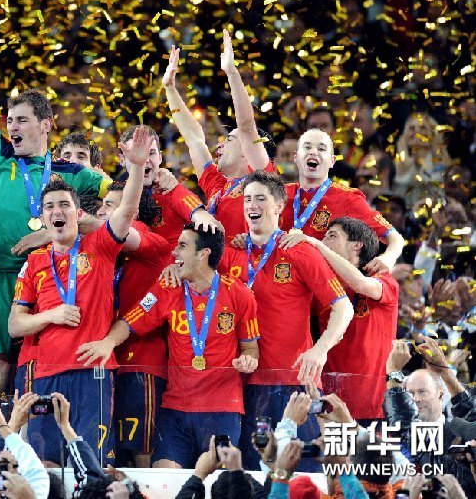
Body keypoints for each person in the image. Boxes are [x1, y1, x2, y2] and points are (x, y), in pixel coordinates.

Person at [0, 0, 109, 406]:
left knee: (45, 366)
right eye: (9, 120)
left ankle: (40, 439)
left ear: (45, 125)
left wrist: (51, 235)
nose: (11, 127)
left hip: (50, 275)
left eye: (21, 120)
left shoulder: (72, 172)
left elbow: (120, 210)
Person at [7, 126, 151, 464]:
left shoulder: (100, 246)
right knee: (46, 464)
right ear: (43, 217)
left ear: (78, 213)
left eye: (64, 205)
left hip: (92, 372)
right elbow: (15, 325)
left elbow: (126, 212)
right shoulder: (35, 261)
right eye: (50, 207)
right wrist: (51, 315)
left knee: (91, 461)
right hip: (46, 373)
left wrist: (136, 169)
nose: (57, 211)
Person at [80, 224, 260, 468]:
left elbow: (250, 348)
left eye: (183, 246)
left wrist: (248, 360)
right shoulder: (167, 288)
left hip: (222, 409)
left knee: (219, 482)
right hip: (176, 408)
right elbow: (130, 322)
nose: (175, 252)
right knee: (163, 480)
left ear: (203, 253)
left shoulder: (239, 294)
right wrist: (107, 343)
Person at [217, 170, 353, 469]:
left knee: (304, 477)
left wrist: (320, 349)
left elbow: (344, 308)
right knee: (254, 477)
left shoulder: (299, 251)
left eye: (260, 199)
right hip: (243, 385)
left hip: (295, 384)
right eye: (247, 199)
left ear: (279, 206)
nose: (252, 205)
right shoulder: (230, 254)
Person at [278, 217, 399, 423]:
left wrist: (315, 245)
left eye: (332, 236)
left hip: (373, 407)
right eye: (323, 237)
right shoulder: (319, 289)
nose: (323, 241)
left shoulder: (384, 281)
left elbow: (360, 284)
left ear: (357, 245)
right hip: (328, 406)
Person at [161, 32, 276, 243]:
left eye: (229, 140)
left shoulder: (263, 179)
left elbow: (246, 127)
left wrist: (232, 73)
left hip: (253, 262)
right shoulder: (217, 186)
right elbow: (194, 138)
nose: (219, 145)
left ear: (248, 151)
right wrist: (170, 89)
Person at [99, 181, 171, 468]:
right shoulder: (109, 253)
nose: (101, 210)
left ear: (131, 212)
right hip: (110, 362)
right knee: (113, 454)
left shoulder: (151, 242)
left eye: (109, 205)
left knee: (143, 452)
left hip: (142, 362)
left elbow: (119, 231)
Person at [281, 127, 404, 273]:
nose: (313, 152)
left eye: (321, 149)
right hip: (282, 280)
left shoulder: (348, 198)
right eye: (307, 147)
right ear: (296, 157)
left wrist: (388, 258)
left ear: (332, 161)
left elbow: (394, 237)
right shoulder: (278, 195)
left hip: (327, 283)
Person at [384, 337, 476, 496]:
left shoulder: (458, 460)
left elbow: (407, 433)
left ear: (441, 394)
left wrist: (393, 373)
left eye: (422, 392)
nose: (415, 399)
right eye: (410, 393)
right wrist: (445, 372)